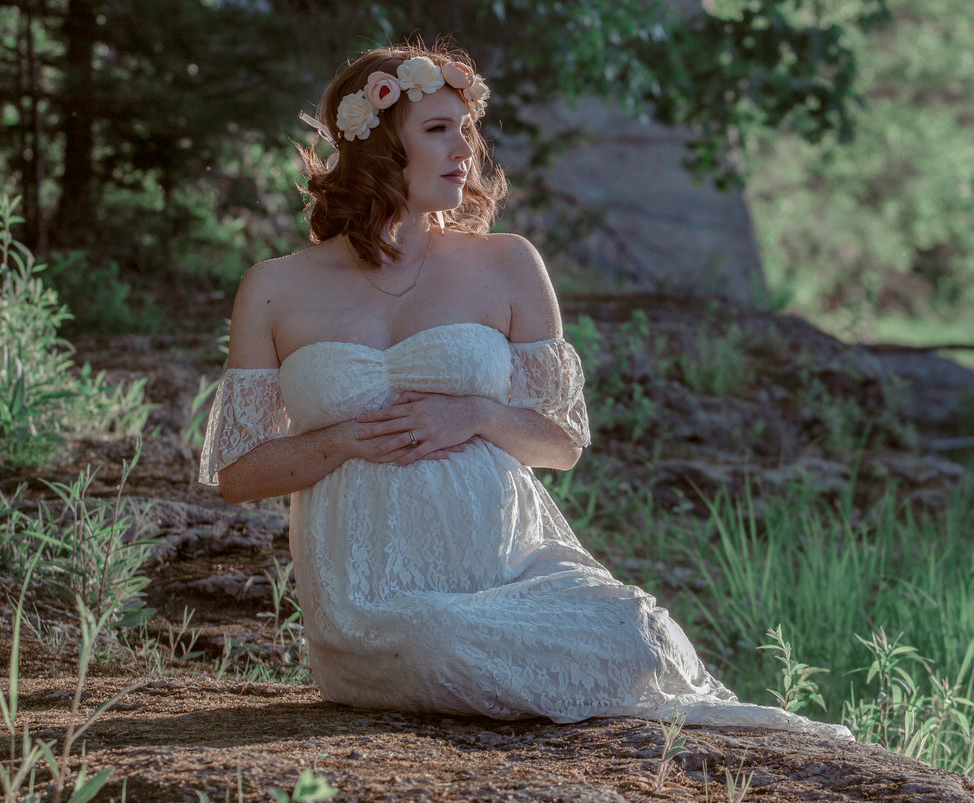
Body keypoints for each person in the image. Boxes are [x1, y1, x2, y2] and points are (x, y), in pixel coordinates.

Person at [197, 41, 850, 739]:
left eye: (466, 129)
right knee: (439, 642)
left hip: (510, 565)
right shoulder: (275, 286)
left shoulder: (507, 262)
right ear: (380, 144)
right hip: (373, 601)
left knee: (633, 628)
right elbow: (238, 473)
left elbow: (561, 442)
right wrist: (341, 439)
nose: (464, 151)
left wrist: (476, 412)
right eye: (438, 130)